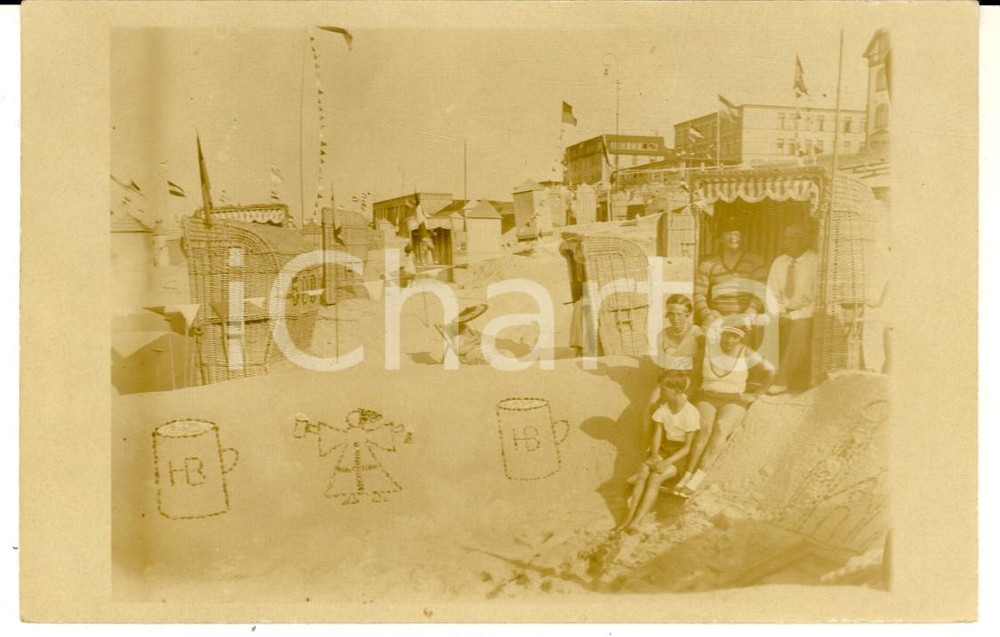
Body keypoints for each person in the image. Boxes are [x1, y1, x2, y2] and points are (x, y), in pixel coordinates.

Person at [674, 323, 775, 498]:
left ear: (741, 338)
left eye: (734, 336)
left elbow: (771, 371)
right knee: (704, 429)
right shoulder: (708, 351)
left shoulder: (746, 352)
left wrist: (757, 394)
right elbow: (695, 376)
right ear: (720, 335)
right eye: (726, 335)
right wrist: (684, 397)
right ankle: (687, 474)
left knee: (721, 426)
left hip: (734, 399)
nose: (729, 340)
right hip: (707, 396)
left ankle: (699, 476)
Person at [616, 371, 701, 533]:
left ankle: (637, 521)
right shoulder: (664, 409)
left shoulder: (690, 413)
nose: (660, 392)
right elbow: (657, 435)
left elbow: (688, 447)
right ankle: (629, 515)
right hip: (664, 448)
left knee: (655, 477)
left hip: (679, 454)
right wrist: (655, 455)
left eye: (664, 390)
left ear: (676, 391)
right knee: (643, 472)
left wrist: (666, 462)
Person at [765, 224, 819, 394]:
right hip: (782, 312)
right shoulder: (779, 262)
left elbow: (819, 300)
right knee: (760, 324)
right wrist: (780, 312)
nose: (787, 242)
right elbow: (770, 294)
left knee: (800, 327)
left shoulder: (816, 262)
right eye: (786, 238)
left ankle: (782, 380)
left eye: (792, 238)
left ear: (804, 240)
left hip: (807, 314)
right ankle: (760, 378)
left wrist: (795, 315)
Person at [692, 222, 767, 333]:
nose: (733, 238)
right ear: (721, 238)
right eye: (728, 233)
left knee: (762, 328)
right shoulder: (708, 264)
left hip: (746, 315)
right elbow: (698, 294)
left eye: (737, 234)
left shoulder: (755, 261)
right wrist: (708, 315)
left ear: (743, 237)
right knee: (709, 333)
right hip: (717, 316)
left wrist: (747, 314)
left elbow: (760, 292)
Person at [657, 294, 704, 383]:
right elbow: (661, 365)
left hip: (691, 379)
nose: (675, 318)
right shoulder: (662, 335)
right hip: (670, 380)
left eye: (679, 314)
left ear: (687, 314)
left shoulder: (696, 332)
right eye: (671, 314)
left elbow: (706, 355)